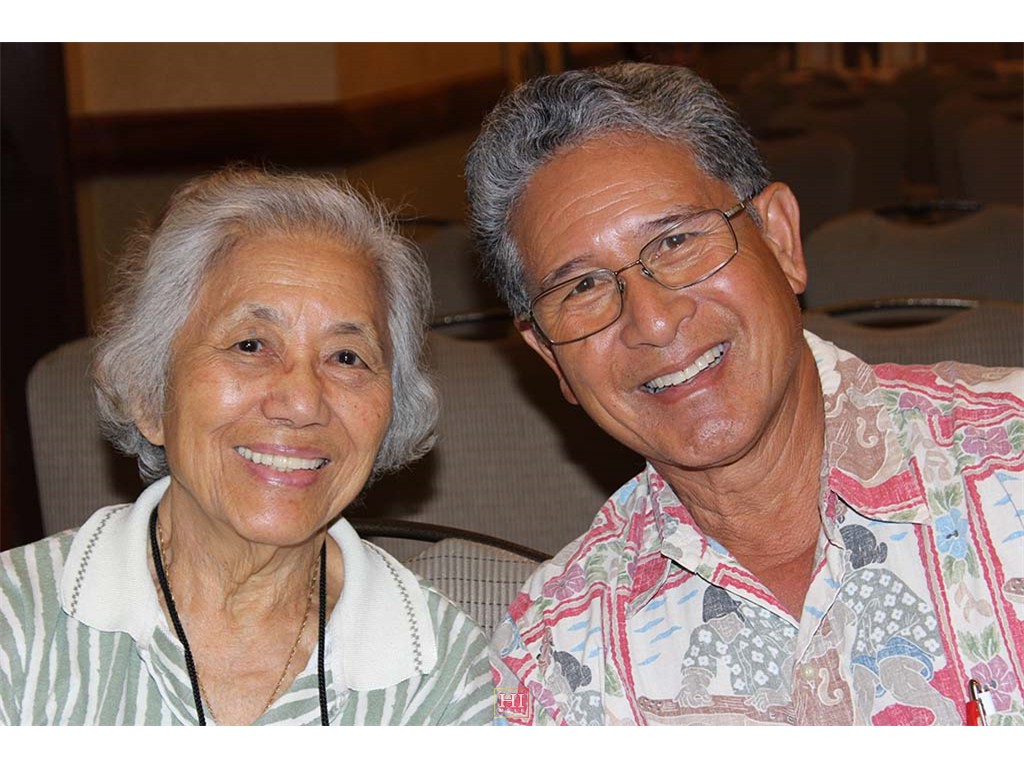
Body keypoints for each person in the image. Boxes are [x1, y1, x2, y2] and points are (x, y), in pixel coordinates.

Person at [465, 63, 1024, 725]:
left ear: (780, 238)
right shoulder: (552, 663)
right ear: (548, 355)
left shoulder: (1009, 470)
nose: (652, 322)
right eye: (582, 287)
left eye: (676, 241)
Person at [0, 168, 494, 725]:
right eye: (251, 345)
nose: (302, 402)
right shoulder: (17, 622)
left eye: (347, 357)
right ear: (148, 394)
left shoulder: (445, 675)